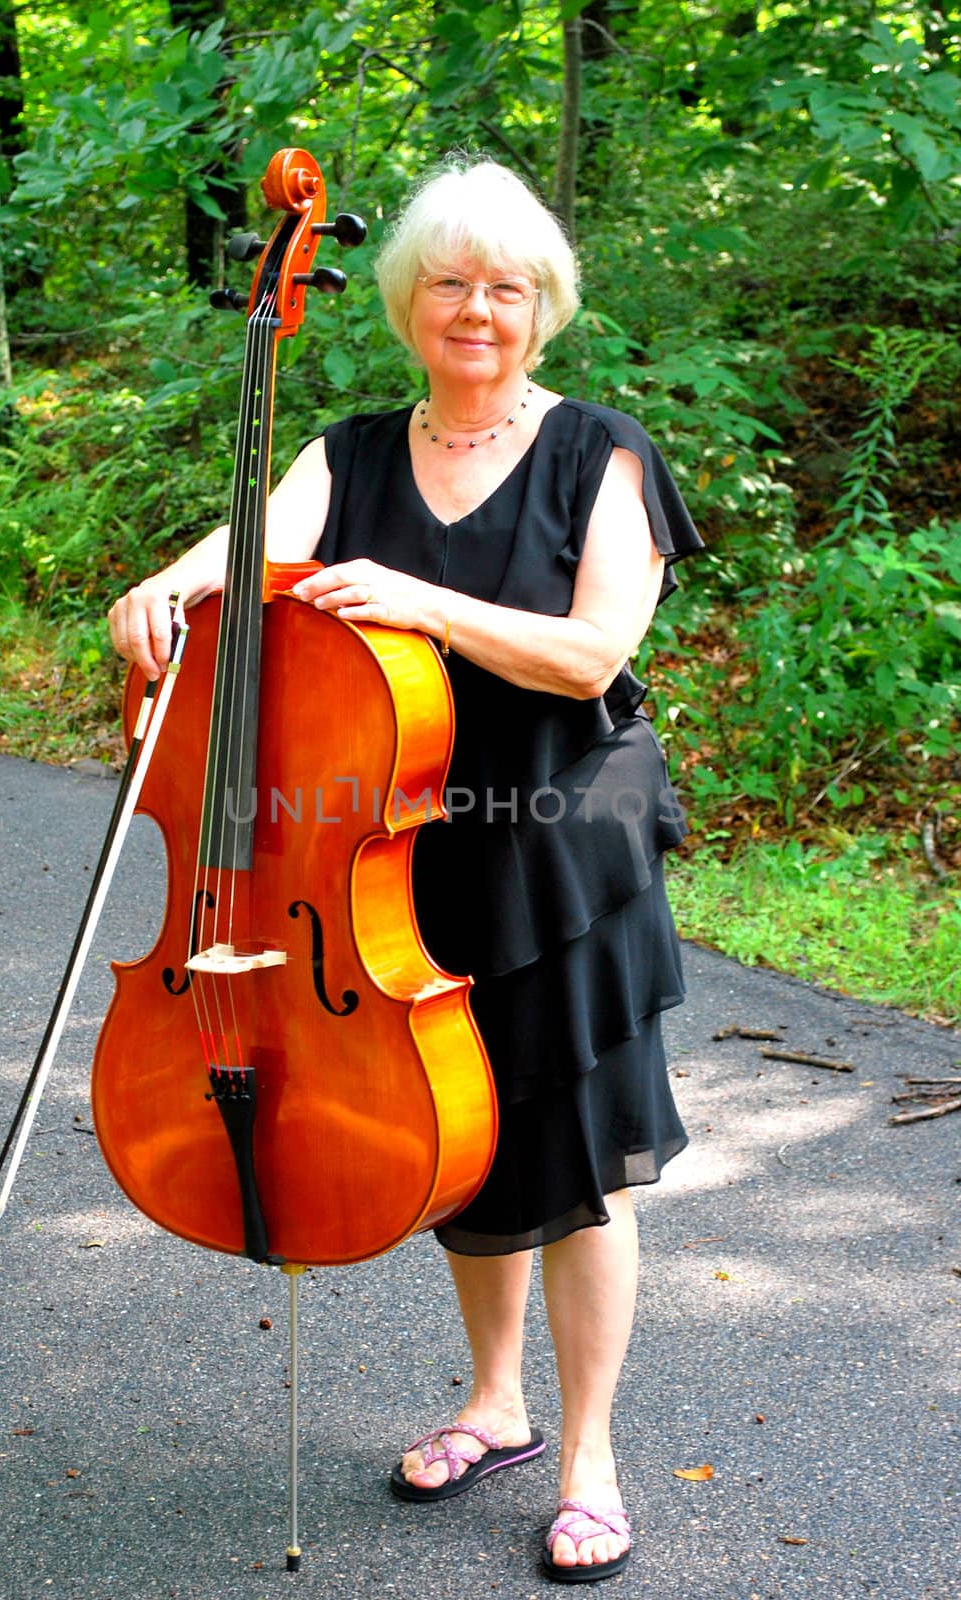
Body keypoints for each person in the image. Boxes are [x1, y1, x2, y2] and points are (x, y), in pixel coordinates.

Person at [109, 157, 702, 1583]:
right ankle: (496, 1407)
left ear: (544, 307)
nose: (475, 309)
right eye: (448, 281)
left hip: (559, 846)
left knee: (577, 1159)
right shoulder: (351, 451)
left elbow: (591, 654)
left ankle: (591, 1459)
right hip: (395, 847)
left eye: (505, 287)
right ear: (404, 301)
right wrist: (167, 590)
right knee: (462, 1138)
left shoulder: (598, 453)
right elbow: (242, 558)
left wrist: (425, 598)